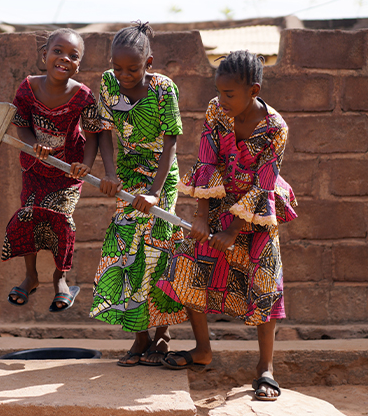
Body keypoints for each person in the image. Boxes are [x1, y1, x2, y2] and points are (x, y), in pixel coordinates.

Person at [155, 50, 298, 401]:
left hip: (257, 212)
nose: (222, 99)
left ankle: (266, 368)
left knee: (265, 281)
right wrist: (203, 218)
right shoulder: (216, 111)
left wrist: (233, 231)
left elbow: (264, 186)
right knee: (189, 264)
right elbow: (207, 163)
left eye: (229, 94)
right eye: (219, 92)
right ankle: (202, 349)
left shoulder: (275, 129)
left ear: (254, 90)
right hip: (217, 202)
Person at [84, 22, 187, 366]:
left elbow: (171, 142)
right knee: (125, 249)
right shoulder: (109, 84)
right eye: (118, 67)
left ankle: (162, 335)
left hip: (161, 175)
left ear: (149, 63)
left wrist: (156, 193)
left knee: (158, 251)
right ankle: (139, 336)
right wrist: (111, 175)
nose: (124, 75)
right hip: (128, 173)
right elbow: (102, 132)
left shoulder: (163, 90)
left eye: (133, 68)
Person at [2, 28, 98, 312]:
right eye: (58, 51)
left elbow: (93, 135)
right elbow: (20, 122)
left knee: (62, 221)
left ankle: (61, 278)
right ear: (45, 55)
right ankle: (31, 276)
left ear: (79, 65)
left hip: (68, 172)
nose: (64, 58)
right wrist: (33, 146)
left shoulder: (83, 96)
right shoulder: (28, 88)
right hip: (34, 167)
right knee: (28, 217)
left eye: (73, 56)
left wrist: (86, 166)